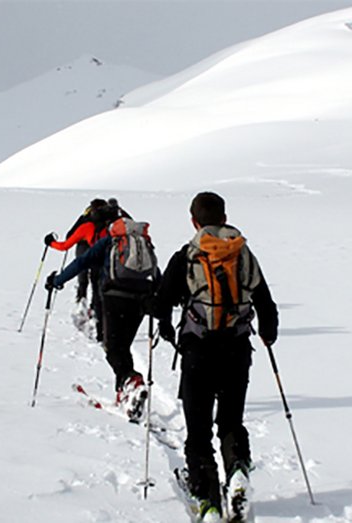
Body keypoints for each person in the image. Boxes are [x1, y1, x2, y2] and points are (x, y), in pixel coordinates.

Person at [151, 192, 278, 521]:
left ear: (193, 221)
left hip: (198, 352)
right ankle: (236, 473)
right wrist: (267, 333)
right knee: (231, 421)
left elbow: (160, 304)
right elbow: (266, 304)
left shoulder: (187, 255)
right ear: (224, 217)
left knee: (198, 430)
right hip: (237, 351)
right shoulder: (243, 253)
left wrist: (159, 318)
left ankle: (206, 498)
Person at [46, 215, 159, 421]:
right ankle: (124, 392)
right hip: (141, 299)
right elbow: (155, 273)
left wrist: (57, 280)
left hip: (114, 296)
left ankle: (131, 380)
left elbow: (82, 261)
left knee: (111, 347)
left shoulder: (109, 241)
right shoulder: (144, 244)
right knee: (123, 346)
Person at [45, 198, 118, 341]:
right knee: (105, 297)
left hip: (95, 262)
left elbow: (65, 245)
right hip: (114, 264)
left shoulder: (86, 227)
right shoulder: (113, 226)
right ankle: (107, 330)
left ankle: (100, 331)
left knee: (97, 293)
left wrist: (50, 243)